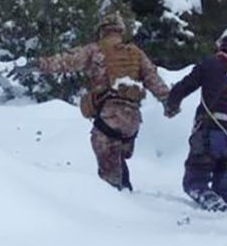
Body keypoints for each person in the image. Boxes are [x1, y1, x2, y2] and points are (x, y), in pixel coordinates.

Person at [15, 12, 170, 191]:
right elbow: (153, 79)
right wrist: (167, 101)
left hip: (109, 115)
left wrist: (36, 64)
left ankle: (115, 202)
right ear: (121, 30)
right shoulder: (136, 53)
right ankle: (125, 189)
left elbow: (66, 62)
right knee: (117, 155)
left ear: (102, 30)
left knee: (108, 166)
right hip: (133, 120)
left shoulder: (95, 50)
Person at [165, 23, 227, 212]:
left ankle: (213, 204)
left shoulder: (210, 63)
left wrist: (171, 105)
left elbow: (182, 88)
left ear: (223, 42)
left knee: (194, 182)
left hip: (207, 135)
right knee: (224, 187)